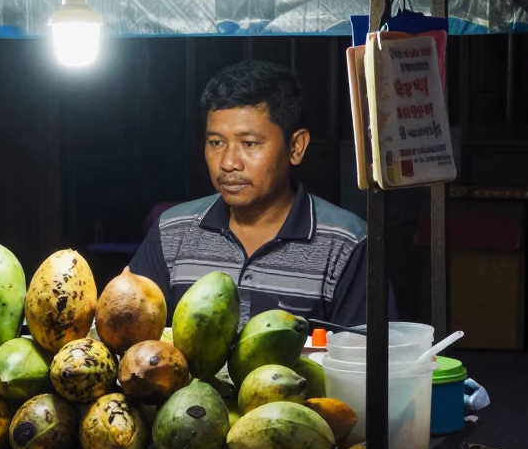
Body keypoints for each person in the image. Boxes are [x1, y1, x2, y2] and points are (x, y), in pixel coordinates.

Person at [130, 59, 382, 329]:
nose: (228, 162)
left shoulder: (346, 244)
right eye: (216, 143)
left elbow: (364, 362)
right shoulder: (171, 233)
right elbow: (133, 335)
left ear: (296, 147)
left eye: (249, 144)